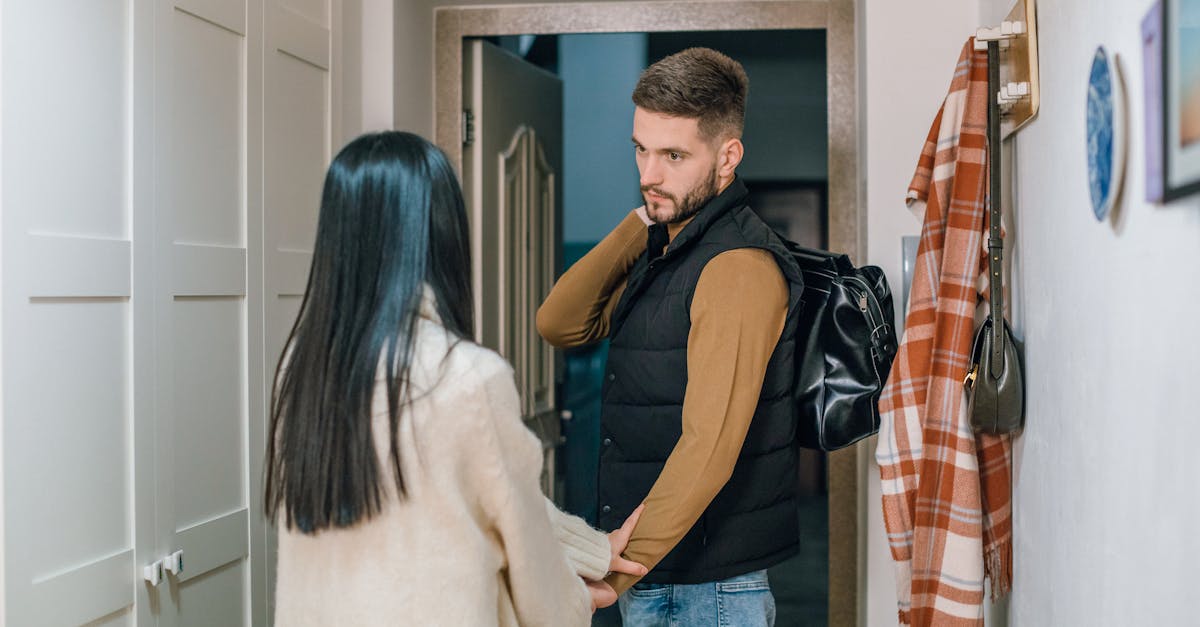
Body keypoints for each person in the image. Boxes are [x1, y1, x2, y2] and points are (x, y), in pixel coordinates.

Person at [264, 131, 646, 626]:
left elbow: (467, 497)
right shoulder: (465, 376)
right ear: (441, 233)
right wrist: (580, 599)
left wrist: (591, 551)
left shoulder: (304, 366)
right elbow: (529, 559)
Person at [536, 48, 802, 626]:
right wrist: (642, 219)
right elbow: (559, 322)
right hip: (661, 575)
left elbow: (708, 449)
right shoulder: (670, 247)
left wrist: (615, 566)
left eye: (674, 155)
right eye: (641, 150)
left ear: (727, 156)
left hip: (708, 589)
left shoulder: (737, 266)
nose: (649, 174)